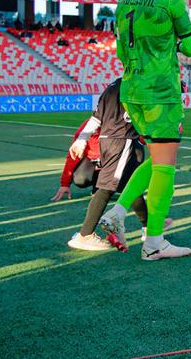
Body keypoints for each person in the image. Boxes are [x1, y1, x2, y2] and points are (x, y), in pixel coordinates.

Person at [98, 0, 191, 261]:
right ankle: (154, 241)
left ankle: (118, 210)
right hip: (160, 93)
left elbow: (120, 50)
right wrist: (175, 44)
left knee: (156, 159)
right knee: (166, 167)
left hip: (131, 91)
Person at [65, 78, 168, 252]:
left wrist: (82, 138)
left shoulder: (114, 84)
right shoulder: (138, 84)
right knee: (107, 187)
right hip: (122, 140)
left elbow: (96, 118)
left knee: (132, 186)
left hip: (111, 140)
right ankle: (85, 235)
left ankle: (149, 228)